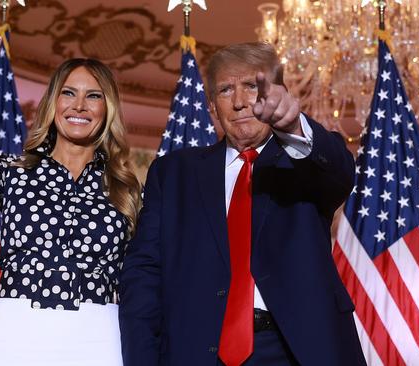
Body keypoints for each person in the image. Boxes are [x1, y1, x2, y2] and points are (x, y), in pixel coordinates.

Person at [119, 42, 366, 366]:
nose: (239, 102)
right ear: (211, 105)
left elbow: (339, 173)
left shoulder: (303, 159)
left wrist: (293, 127)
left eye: (252, 87)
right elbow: (144, 274)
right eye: (225, 89)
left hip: (297, 351)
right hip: (199, 351)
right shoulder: (174, 173)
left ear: (278, 94)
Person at [0, 11, 141, 365]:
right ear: (53, 103)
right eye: (68, 93)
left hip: (97, 333)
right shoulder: (16, 172)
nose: (79, 105)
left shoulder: (127, 189)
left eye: (93, 96)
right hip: (16, 330)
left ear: (108, 109)